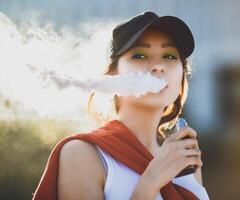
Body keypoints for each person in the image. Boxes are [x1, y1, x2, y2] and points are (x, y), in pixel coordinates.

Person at [32, 11, 210, 200]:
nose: (158, 66)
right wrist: (151, 180)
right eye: (140, 55)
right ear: (113, 74)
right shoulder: (83, 154)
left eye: (169, 56)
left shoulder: (181, 162)